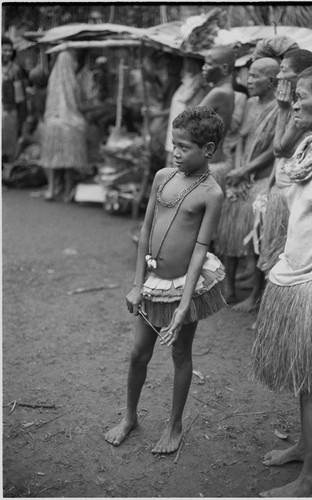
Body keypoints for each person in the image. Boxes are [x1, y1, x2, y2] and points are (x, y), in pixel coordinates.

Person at [105, 107, 226, 454]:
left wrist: (185, 305)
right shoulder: (162, 177)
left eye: (184, 147)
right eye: (174, 145)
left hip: (183, 286)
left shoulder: (211, 193)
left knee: (181, 353)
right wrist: (137, 283)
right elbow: (144, 231)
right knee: (138, 353)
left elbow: (201, 248)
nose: (175, 152)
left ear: (208, 149)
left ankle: (174, 424)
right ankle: (130, 417)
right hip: (153, 283)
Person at [251, 63, 312, 497]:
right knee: (305, 379)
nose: (296, 100)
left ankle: (310, 483)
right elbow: (282, 150)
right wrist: (293, 114)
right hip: (294, 271)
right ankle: (306, 447)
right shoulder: (309, 146)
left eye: (303, 95)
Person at [214, 57, 279, 310]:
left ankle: (255, 295)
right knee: (228, 230)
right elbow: (242, 139)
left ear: (271, 81)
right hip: (242, 176)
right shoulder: (250, 103)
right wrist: (239, 171)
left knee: (257, 240)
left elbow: (274, 150)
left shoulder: (280, 108)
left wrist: (247, 171)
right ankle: (228, 288)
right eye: (248, 76)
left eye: (254, 76)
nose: (248, 81)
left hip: (263, 181)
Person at [258, 49, 312, 275]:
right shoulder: (298, 103)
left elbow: (279, 149)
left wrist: (283, 110)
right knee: (273, 244)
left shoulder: (300, 107)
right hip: (282, 185)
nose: (279, 76)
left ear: (301, 75)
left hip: (293, 188)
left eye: (284, 70)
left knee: (284, 247)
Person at [40, 50, 88, 202]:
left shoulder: (52, 80)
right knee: (69, 163)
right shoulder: (73, 81)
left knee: (53, 161)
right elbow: (79, 104)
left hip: (53, 123)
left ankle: (51, 190)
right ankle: (67, 193)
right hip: (71, 125)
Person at [198, 46, 236, 191]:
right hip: (214, 158)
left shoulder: (219, 92)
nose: (204, 68)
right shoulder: (227, 91)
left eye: (208, 64)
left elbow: (186, 121)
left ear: (224, 68)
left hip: (209, 162)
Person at [165, 57, 209, 168]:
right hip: (175, 129)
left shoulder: (200, 84)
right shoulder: (186, 82)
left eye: (188, 62)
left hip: (185, 132)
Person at [2, 37, 26, 163]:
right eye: (4, 50)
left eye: (9, 51)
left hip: (8, 114)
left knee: (7, 151)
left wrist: (21, 120)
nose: (7, 53)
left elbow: (20, 97)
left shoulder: (15, 70)